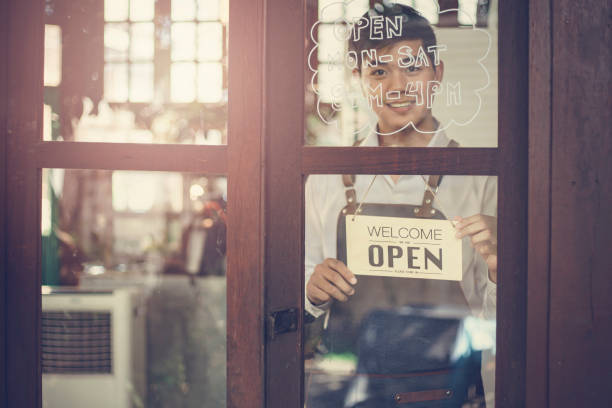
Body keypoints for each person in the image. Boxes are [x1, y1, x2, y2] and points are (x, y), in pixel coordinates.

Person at [305, 3, 497, 406]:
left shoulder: (482, 177)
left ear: (437, 73)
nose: (398, 86)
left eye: (412, 67)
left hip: (449, 393)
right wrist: (312, 288)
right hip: (347, 392)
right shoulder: (327, 177)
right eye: (379, 71)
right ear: (358, 78)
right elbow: (299, 284)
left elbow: (500, 321)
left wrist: (500, 266)